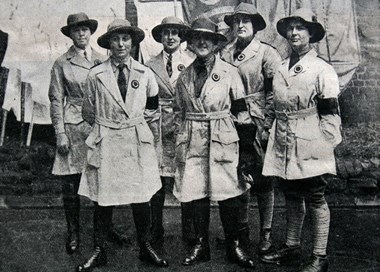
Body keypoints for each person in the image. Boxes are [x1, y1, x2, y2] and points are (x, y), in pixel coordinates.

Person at [75, 19, 169, 271]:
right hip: (107, 140)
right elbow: (87, 112)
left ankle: (146, 246)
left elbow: (152, 107)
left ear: (132, 42)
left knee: (141, 198)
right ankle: (99, 249)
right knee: (103, 198)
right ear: (108, 43)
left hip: (136, 139)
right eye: (115, 39)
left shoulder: (145, 73)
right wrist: (109, 124)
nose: (120, 44)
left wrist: (134, 125)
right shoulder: (95, 75)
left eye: (125, 39)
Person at [260, 8, 342, 272]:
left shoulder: (322, 69)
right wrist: (267, 129)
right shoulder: (281, 66)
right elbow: (274, 105)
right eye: (291, 28)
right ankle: (292, 246)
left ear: (311, 34)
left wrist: (324, 144)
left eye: (301, 28)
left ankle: (320, 255)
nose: (294, 33)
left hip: (310, 137)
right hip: (283, 137)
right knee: (291, 194)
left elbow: (330, 113)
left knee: (315, 196)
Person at [173, 16, 255, 269]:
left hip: (223, 137)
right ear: (191, 43)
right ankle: (201, 245)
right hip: (192, 138)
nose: (201, 42)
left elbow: (242, 113)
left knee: (229, 193)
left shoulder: (230, 73)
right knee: (196, 193)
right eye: (196, 38)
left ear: (216, 42)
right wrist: (180, 139)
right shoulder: (183, 77)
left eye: (207, 38)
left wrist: (247, 150)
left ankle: (234, 245)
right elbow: (178, 113)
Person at [48, 12, 129, 256]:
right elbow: (55, 100)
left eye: (85, 29)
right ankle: (73, 232)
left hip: (100, 127)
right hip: (74, 128)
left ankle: (106, 229)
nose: (81, 34)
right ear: (70, 34)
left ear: (91, 32)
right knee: (71, 183)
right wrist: (60, 133)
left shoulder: (104, 60)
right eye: (76, 30)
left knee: (103, 180)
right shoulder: (62, 63)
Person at [220, 2, 282, 255]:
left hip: (256, 119)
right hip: (230, 120)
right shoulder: (224, 52)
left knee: (263, 179)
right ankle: (241, 231)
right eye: (237, 21)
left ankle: (265, 233)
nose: (241, 25)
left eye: (246, 21)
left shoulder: (267, 53)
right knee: (237, 176)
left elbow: (274, 93)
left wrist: (267, 125)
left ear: (255, 26)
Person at [145, 16, 195, 246]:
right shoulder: (149, 64)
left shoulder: (192, 61)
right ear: (160, 37)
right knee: (157, 180)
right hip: (157, 126)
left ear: (181, 36)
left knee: (185, 177)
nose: (171, 37)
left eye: (175, 32)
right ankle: (156, 230)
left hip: (183, 125)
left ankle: (189, 231)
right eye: (166, 33)